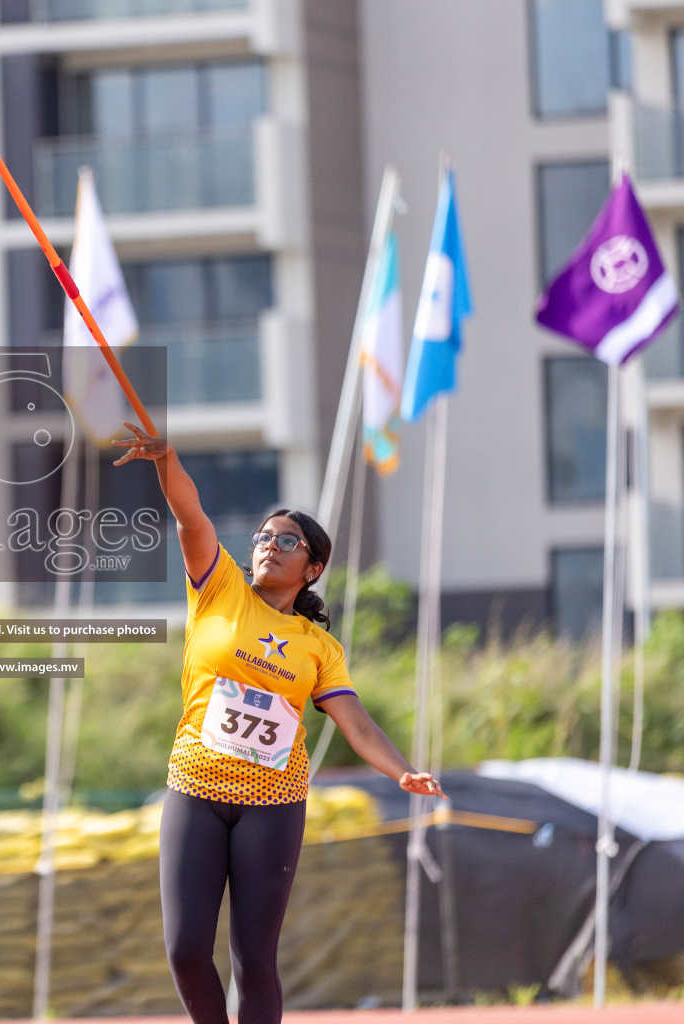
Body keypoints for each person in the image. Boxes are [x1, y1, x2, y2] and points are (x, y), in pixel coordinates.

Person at [112, 419, 445, 1024]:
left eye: (287, 541)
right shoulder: (219, 590)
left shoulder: (318, 647)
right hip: (196, 790)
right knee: (186, 949)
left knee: (253, 960)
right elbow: (193, 519)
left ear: (313, 567)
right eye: (265, 536)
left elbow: (359, 725)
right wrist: (167, 461)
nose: (269, 545)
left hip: (273, 802)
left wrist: (403, 773)